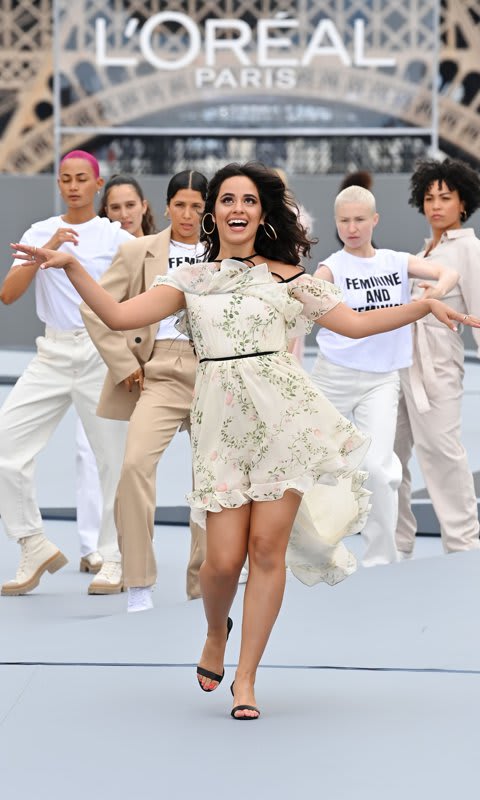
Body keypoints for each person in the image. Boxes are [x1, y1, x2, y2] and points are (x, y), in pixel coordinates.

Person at [11, 162, 480, 720]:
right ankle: (216, 631)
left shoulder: (289, 277)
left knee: (265, 552)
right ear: (213, 213)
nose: (238, 208)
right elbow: (116, 315)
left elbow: (354, 324)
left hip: (285, 425)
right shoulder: (190, 279)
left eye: (249, 201)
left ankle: (247, 678)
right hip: (220, 430)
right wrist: (69, 270)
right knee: (220, 562)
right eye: (227, 199)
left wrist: (424, 306)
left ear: (263, 213)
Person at [0, 150, 132, 596]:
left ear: (98, 185)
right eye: (65, 178)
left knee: (112, 461)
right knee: (6, 447)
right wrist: (47, 251)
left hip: (99, 355)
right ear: (58, 184)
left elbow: (147, 291)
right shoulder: (39, 232)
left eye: (82, 179)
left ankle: (113, 558)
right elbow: (8, 295)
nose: (73, 185)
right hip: (51, 353)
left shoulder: (115, 238)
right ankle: (32, 543)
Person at [311, 185, 459, 567]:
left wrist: (433, 293)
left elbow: (448, 271)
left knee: (379, 468)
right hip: (334, 379)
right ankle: (312, 555)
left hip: (381, 380)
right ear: (336, 223)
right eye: (344, 220)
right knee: (317, 467)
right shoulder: (331, 268)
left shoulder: (395, 260)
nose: (352, 227)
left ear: (374, 220)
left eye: (360, 219)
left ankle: (381, 560)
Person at [81, 170, 209, 611]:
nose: (188, 215)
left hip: (216, 372)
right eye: (180, 205)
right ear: (167, 205)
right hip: (159, 370)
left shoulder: (227, 252)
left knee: (213, 483)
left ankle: (203, 581)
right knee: (134, 467)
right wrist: (123, 362)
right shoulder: (140, 251)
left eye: (197, 206)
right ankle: (139, 582)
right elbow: (96, 306)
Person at [394, 157, 480, 558]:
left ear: (463, 203)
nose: (436, 205)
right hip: (400, 362)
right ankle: (398, 545)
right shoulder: (423, 250)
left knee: (442, 452)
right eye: (429, 197)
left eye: (446, 197)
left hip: (437, 364)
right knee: (390, 456)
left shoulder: (469, 249)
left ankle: (463, 545)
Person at [75, 174, 159, 575]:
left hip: (171, 369)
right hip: (114, 368)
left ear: (144, 205)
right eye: (114, 207)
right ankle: (111, 552)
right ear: (104, 212)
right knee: (107, 459)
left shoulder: (170, 250)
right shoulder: (110, 253)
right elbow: (97, 310)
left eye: (130, 205)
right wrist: (123, 363)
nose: (124, 214)